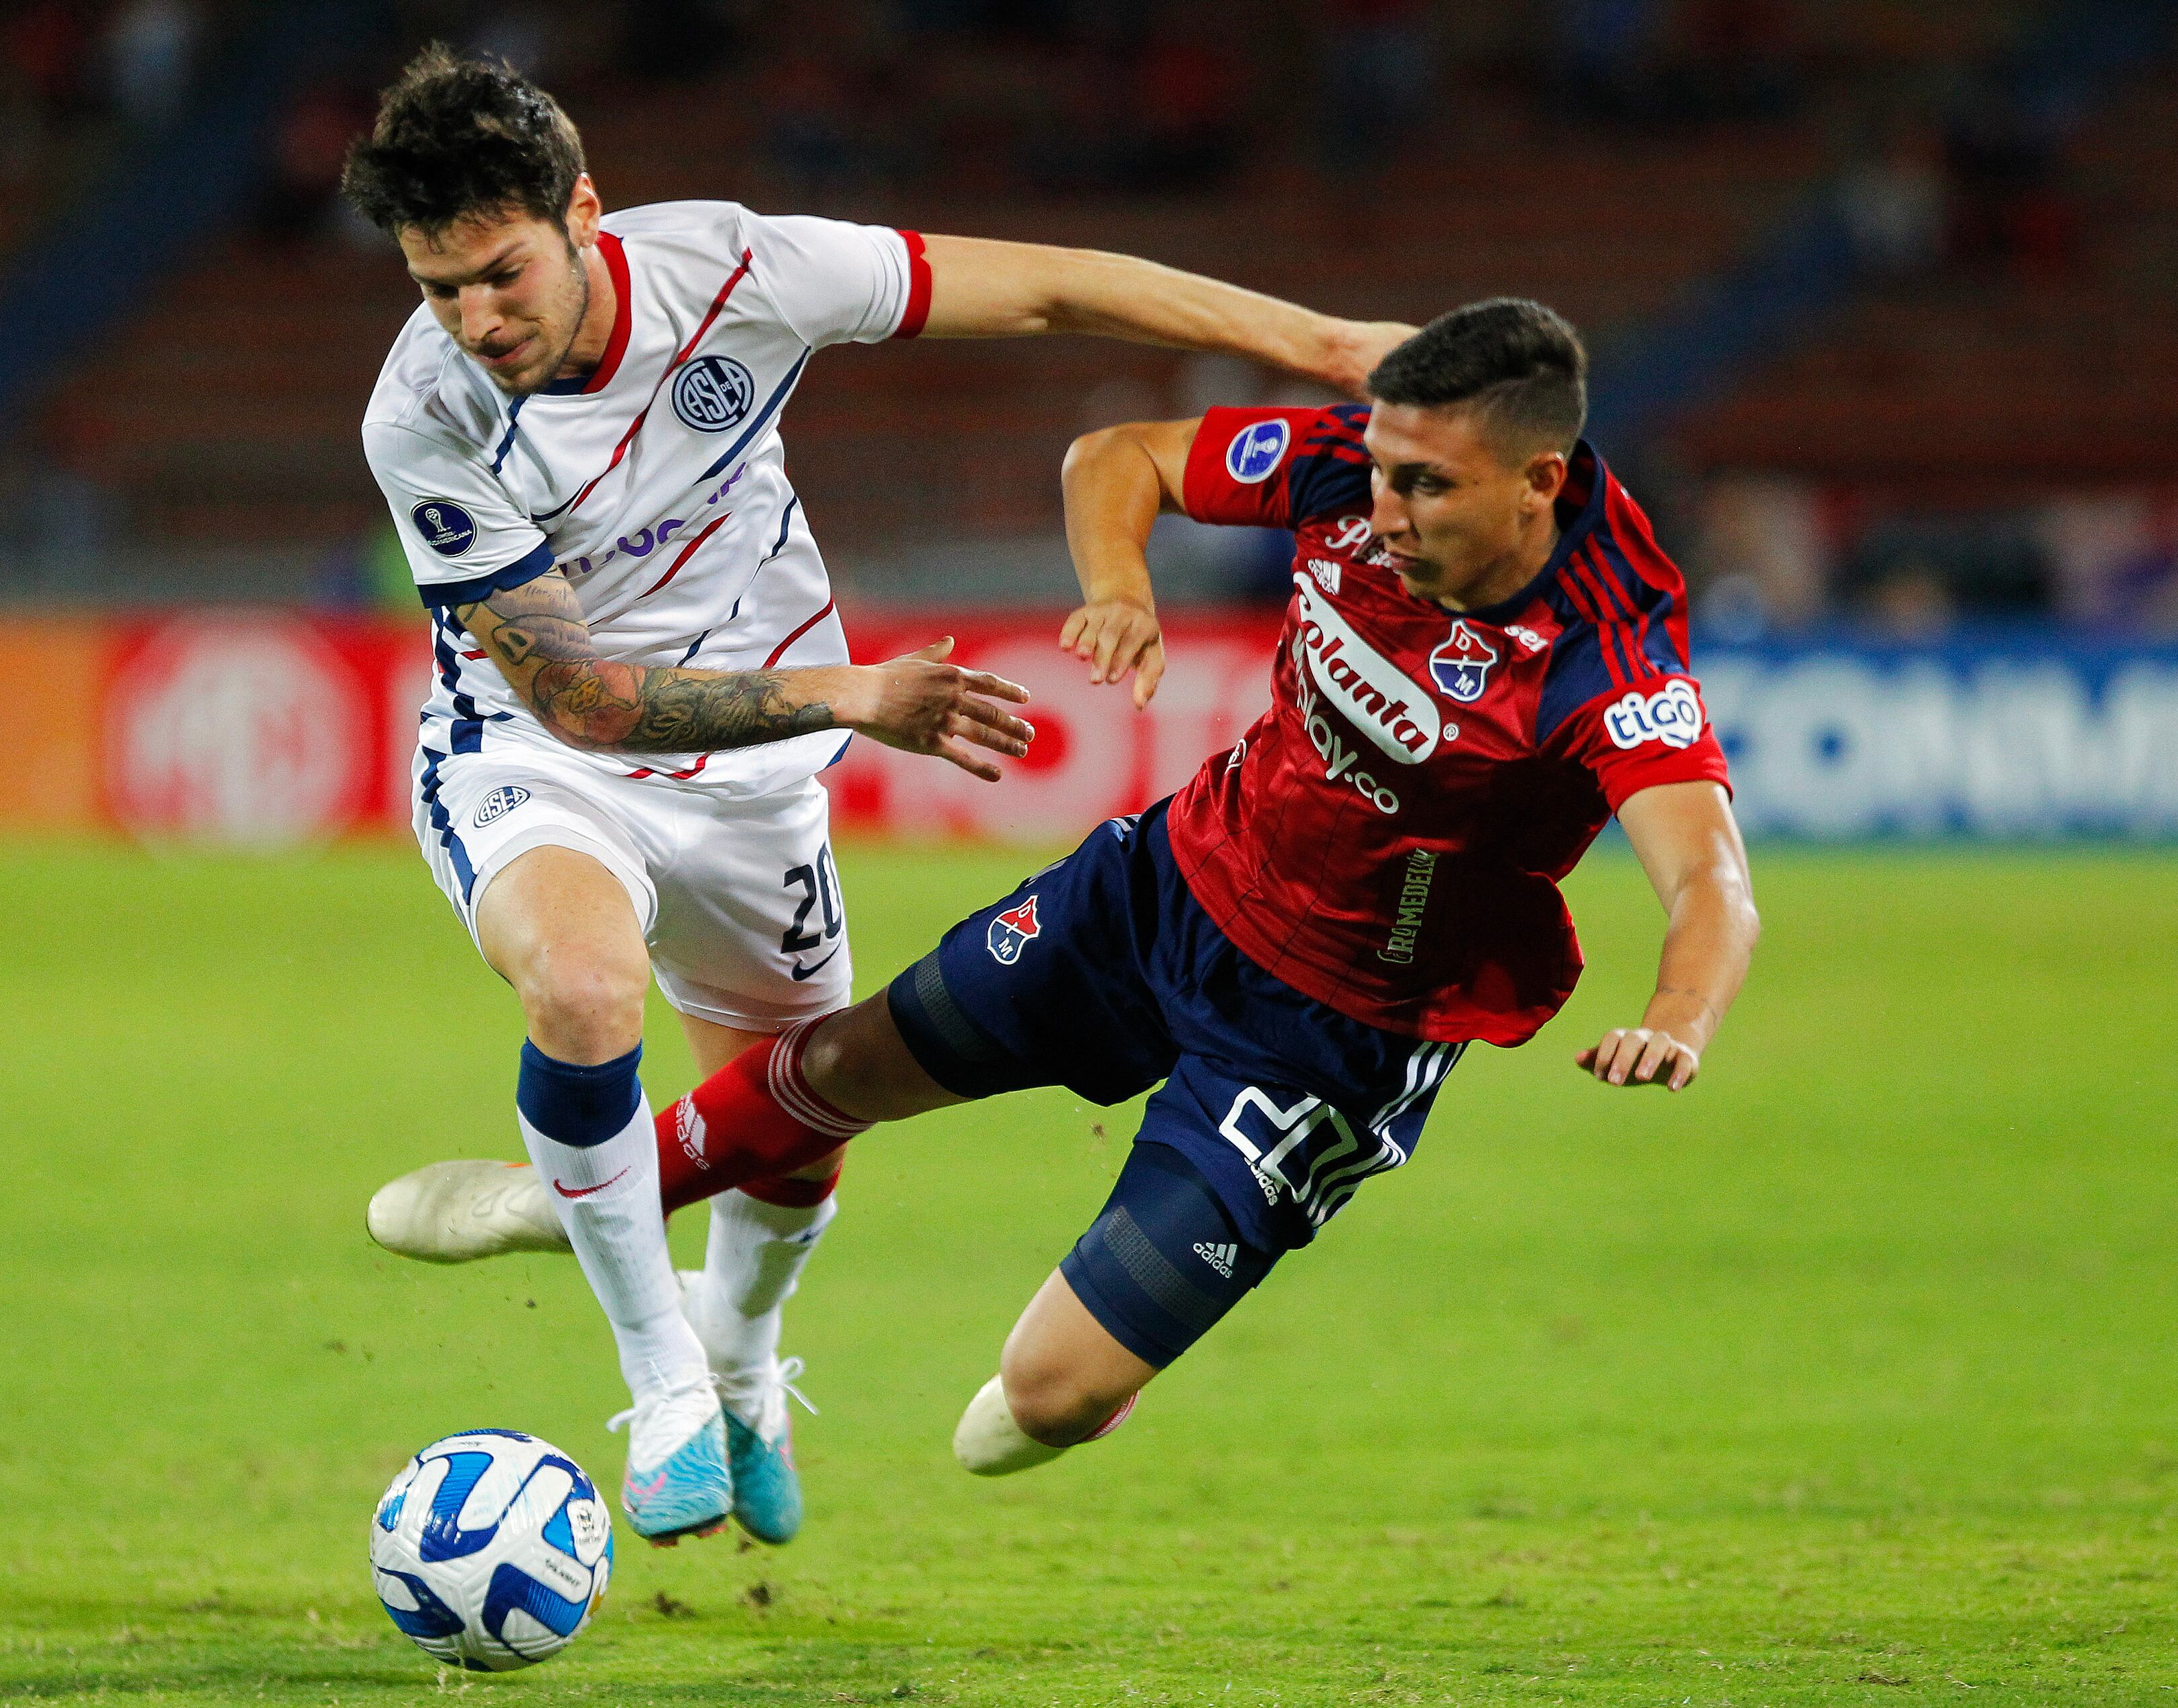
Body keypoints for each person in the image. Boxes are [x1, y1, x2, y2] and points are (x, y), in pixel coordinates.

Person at [371, 297, 1761, 1486]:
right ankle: (574, 1195)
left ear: (1538, 480)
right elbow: (1118, 456)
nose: (1381, 508)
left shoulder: (1604, 655)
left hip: (1325, 1040)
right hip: (1170, 886)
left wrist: (1680, 1018)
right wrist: (1122, 587)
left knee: (1039, 1404)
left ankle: (1091, 1348)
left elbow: (1706, 877)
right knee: (849, 1057)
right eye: (1383, 472)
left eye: (1426, 489)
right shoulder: (1354, 461)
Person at [340, 45, 1414, 1547]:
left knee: (796, 1127)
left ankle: (737, 1361)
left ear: (585, 211)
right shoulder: (424, 414)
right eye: (436, 287)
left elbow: (1048, 284)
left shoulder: (738, 269)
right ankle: (661, 1395)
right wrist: (851, 694)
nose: (474, 319)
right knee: (583, 994)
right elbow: (580, 698)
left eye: (500, 274)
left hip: (757, 785)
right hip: (540, 758)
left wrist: (1318, 341)